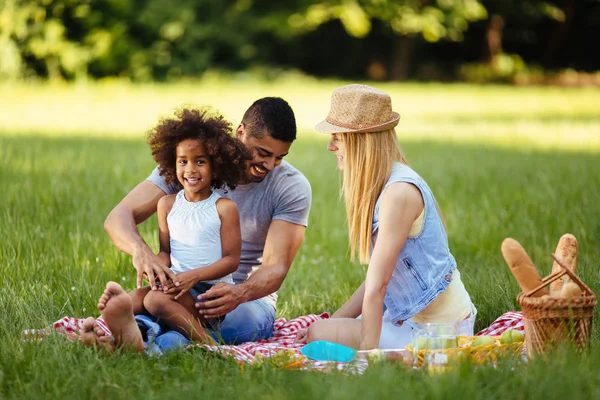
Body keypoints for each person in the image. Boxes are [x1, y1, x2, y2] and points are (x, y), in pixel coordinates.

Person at [80, 97, 312, 352]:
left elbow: (275, 267)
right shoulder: (194, 162)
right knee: (161, 304)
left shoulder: (291, 187)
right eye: (263, 153)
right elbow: (118, 217)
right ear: (241, 132)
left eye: (279, 158)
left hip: (246, 301)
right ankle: (143, 341)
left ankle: (138, 334)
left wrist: (239, 293)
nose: (269, 165)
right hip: (183, 289)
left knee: (234, 320)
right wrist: (143, 254)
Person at [298, 84, 476, 350]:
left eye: (338, 136)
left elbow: (378, 287)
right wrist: (335, 322)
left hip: (439, 330)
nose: (330, 146)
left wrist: (369, 358)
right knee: (322, 329)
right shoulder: (386, 183)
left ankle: (393, 355)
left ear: (363, 139)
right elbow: (376, 280)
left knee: (317, 334)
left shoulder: (399, 194)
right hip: (409, 316)